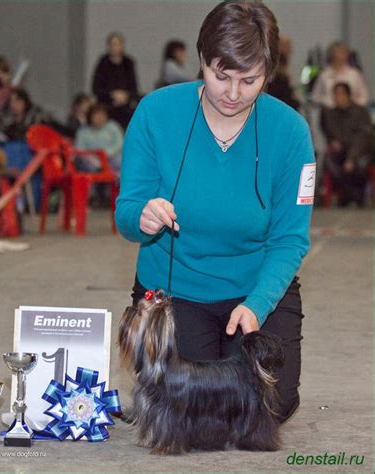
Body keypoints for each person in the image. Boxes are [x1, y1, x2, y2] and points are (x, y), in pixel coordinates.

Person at [115, 1, 315, 424]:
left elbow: (289, 239)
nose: (233, 93)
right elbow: (126, 213)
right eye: (220, 75)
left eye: (249, 80)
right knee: (188, 410)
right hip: (176, 290)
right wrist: (143, 216)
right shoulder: (155, 113)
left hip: (256, 290)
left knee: (266, 408)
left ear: (269, 73)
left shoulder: (292, 131)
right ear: (201, 60)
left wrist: (258, 305)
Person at [321, 82, 373, 207]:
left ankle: (351, 196)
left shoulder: (360, 112)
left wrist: (351, 158)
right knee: (329, 161)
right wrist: (335, 143)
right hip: (342, 152)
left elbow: (362, 138)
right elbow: (332, 135)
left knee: (360, 164)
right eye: (335, 94)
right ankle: (352, 196)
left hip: (360, 152)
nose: (338, 97)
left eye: (340, 94)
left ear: (348, 95)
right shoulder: (331, 114)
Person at [92, 32, 138, 129]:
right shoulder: (103, 63)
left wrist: (125, 96)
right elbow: (96, 88)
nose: (115, 47)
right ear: (108, 46)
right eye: (113, 44)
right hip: (107, 104)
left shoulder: (128, 62)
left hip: (126, 105)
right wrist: (112, 95)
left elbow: (134, 88)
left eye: (118, 44)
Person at [312, 41, 369, 108]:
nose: (340, 56)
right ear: (331, 55)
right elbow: (315, 97)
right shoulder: (324, 74)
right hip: (330, 112)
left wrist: (353, 104)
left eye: (343, 53)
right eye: (338, 53)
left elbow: (364, 95)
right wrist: (327, 102)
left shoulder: (354, 74)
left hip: (351, 111)